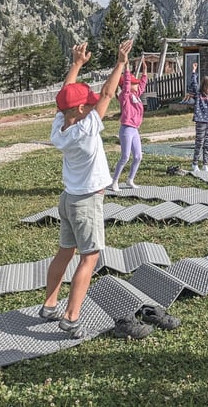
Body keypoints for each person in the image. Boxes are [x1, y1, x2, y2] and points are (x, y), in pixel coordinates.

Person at [40, 39, 133, 338]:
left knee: (64, 253)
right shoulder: (87, 126)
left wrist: (77, 64)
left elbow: (64, 96)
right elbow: (108, 92)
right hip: (86, 202)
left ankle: (49, 304)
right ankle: (70, 317)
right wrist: (120, 62)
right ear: (81, 109)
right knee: (89, 257)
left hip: (68, 200)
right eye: (88, 103)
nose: (95, 103)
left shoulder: (61, 126)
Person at [110, 54, 149, 192]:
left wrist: (145, 71)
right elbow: (126, 84)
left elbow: (142, 86)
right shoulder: (125, 96)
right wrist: (126, 67)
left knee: (138, 156)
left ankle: (130, 179)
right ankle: (114, 181)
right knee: (125, 156)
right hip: (126, 129)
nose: (136, 84)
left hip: (134, 130)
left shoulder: (136, 95)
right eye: (134, 82)